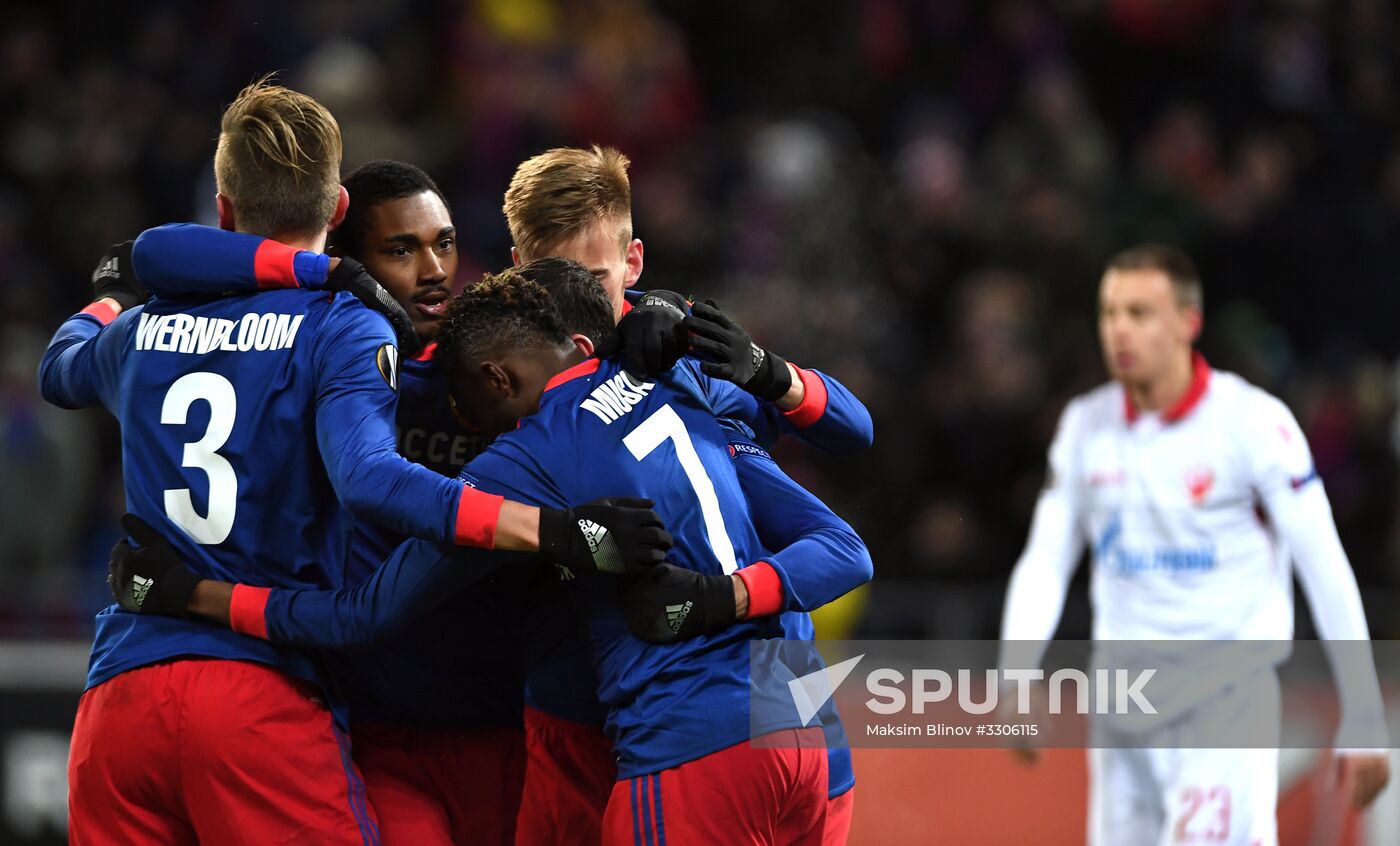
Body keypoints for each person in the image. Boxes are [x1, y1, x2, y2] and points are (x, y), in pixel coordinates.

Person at [38, 81, 662, 846]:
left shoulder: (144, 329)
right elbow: (368, 487)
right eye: (400, 249)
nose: (432, 270)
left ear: (226, 208)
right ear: (337, 216)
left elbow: (61, 362)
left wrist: (111, 291)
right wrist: (556, 530)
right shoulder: (347, 329)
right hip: (273, 692)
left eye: (444, 245)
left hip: (123, 687)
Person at [112, 268, 873, 844]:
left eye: (473, 411)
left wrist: (195, 595)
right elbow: (845, 550)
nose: (476, 432)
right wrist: (727, 595)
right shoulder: (680, 383)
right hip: (805, 743)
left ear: (498, 379)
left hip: (689, 747)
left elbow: (362, 612)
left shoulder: (523, 460)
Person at [502, 145, 868, 845]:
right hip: (635, 711)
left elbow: (855, 430)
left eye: (595, 278)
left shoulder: (683, 358)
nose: (572, 304)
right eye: (552, 281)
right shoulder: (504, 372)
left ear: (633, 263)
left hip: (688, 721)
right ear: (519, 268)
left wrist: (767, 370)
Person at [998, 244, 1391, 845]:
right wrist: (1016, 671)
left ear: (1189, 322)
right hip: (1121, 710)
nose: (1118, 330)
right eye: (1108, 313)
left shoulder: (1254, 424)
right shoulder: (1085, 426)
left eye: (1139, 312)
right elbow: (1047, 560)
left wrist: (1363, 715)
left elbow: (1324, 566)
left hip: (1224, 703)